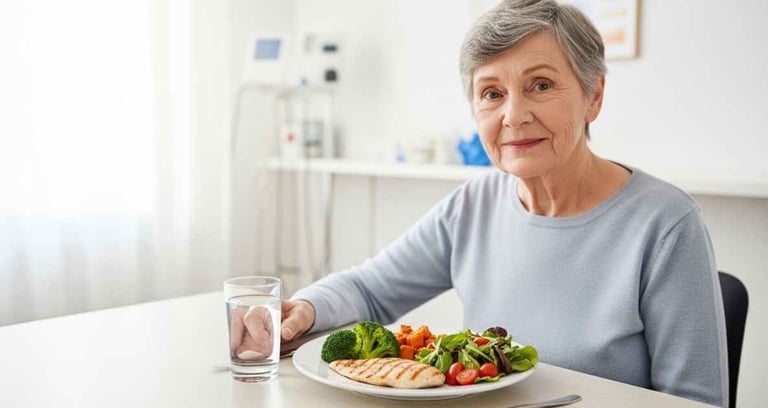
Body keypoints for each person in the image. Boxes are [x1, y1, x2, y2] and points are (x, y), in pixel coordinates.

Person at [238, 0, 728, 406]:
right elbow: (370, 289)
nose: (514, 116)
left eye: (540, 85)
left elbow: (695, 400)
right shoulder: (474, 203)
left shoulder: (665, 223)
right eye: (491, 93)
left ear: (593, 95)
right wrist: (305, 308)